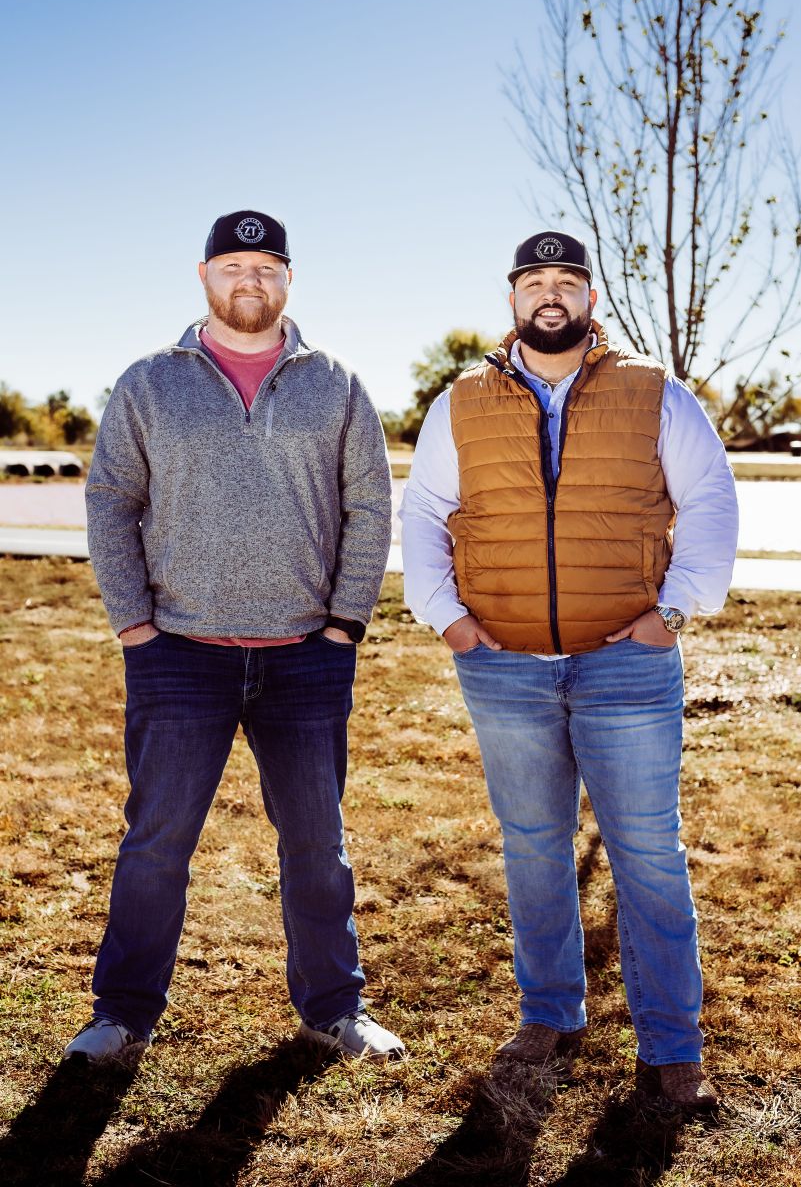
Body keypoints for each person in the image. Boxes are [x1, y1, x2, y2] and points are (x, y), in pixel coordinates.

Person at [400, 230, 738, 1111]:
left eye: (566, 281)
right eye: (533, 282)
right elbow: (427, 513)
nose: (550, 295)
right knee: (534, 845)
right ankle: (549, 1010)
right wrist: (451, 623)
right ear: (511, 298)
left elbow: (708, 497)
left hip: (623, 661)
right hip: (503, 666)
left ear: (589, 297)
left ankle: (671, 1045)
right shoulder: (460, 402)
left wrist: (673, 613)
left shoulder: (653, 392)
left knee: (647, 855)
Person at [65, 209, 404, 1064]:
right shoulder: (150, 381)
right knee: (155, 843)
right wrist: (135, 626)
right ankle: (122, 1014)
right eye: (232, 266)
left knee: (317, 845)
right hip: (178, 655)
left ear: (288, 279)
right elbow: (111, 502)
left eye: (266, 266)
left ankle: (335, 1007)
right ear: (203, 276)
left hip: (304, 657)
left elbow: (370, 506)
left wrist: (343, 623)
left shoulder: (337, 383)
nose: (248, 280)